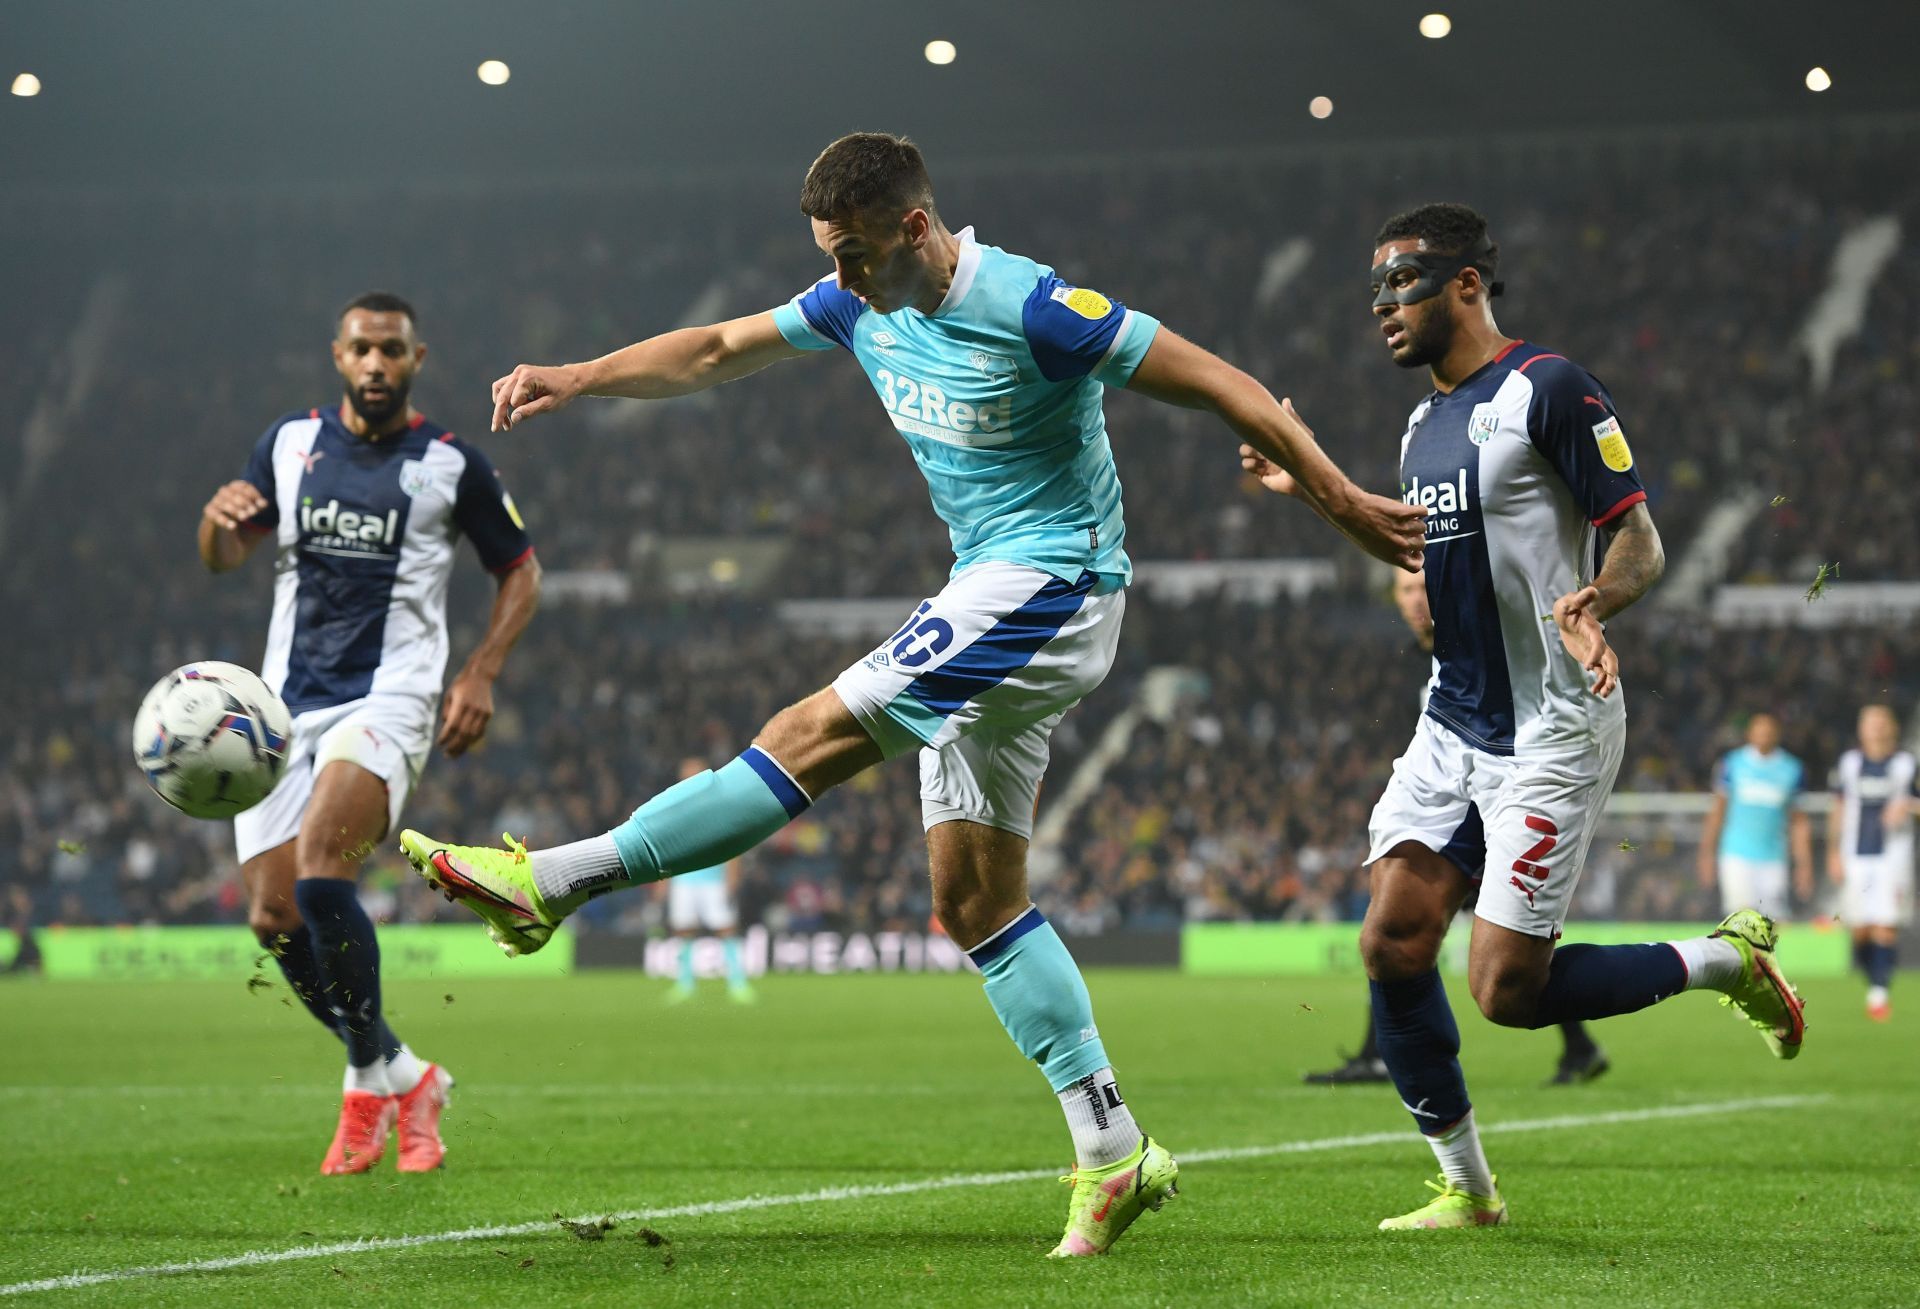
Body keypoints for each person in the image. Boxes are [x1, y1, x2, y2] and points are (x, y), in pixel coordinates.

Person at [399, 132, 1425, 1257]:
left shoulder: (1038, 307)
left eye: (852, 256)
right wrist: (577, 375)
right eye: (825, 258)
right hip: (989, 585)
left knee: (809, 732)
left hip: (1056, 580)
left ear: (915, 229)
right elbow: (712, 351)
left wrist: (1347, 507)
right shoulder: (857, 302)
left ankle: (553, 879)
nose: (838, 283)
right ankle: (1114, 1148)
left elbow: (1227, 386)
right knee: (973, 901)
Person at [1245, 203, 1803, 1231]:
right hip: (1452, 723)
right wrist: (1311, 488)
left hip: (1554, 723)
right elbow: (1413, 549)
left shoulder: (1549, 388)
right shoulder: (1423, 427)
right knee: (1392, 943)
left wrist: (1601, 599)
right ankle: (1466, 1189)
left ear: (1468, 284)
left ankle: (1725, 962)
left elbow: (1637, 539)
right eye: (1373, 289)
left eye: (1402, 282)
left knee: (1503, 990)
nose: (1382, 308)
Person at [199, 291, 541, 1174]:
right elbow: (223, 555)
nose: (377, 365)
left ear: (417, 357)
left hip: (389, 698)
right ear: (339, 356)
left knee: (320, 871)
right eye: (362, 350)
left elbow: (521, 571)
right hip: (279, 710)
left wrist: (481, 671)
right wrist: (215, 523)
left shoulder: (452, 463)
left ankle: (363, 1081)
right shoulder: (287, 445)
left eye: (392, 350)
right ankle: (400, 1070)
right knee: (274, 917)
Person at [1292, 568, 1607, 1087]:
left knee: (1428, 935)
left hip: (1493, 819)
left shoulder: (1478, 652)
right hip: (1460, 821)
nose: (1417, 601)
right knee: (1403, 929)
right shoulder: (1427, 664)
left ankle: (1390, 1059)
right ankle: (1579, 1047)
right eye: (1406, 591)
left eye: (1423, 588)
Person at [1830, 704, 1915, 1021]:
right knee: (1861, 930)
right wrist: (1832, 853)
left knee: (1885, 924)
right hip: (1855, 856)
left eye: (1882, 722)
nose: (1877, 728)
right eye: (1871, 722)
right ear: (1861, 729)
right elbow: (1838, 808)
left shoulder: (1908, 764)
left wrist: (1907, 805)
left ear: (1892, 727)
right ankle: (1873, 979)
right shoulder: (1850, 764)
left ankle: (1879, 993)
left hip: (1894, 857)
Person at [659, 757, 755, 1004]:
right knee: (683, 930)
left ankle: (737, 982)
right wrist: (663, 882)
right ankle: (685, 983)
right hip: (683, 881)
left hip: (713, 880)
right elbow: (667, 847)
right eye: (685, 773)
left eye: (694, 773)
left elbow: (731, 843)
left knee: (725, 928)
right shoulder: (674, 807)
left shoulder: (718, 806)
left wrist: (731, 878)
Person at [1699, 713, 1812, 920]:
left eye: (1769, 732)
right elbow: (1717, 811)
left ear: (1777, 735)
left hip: (1774, 857)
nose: (1764, 736)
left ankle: (1766, 954)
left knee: (1773, 920)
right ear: (1749, 734)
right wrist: (1707, 853)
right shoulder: (1731, 764)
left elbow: (1798, 821)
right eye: (1759, 731)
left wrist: (1803, 864)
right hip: (1736, 854)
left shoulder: (1792, 769)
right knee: (1740, 919)